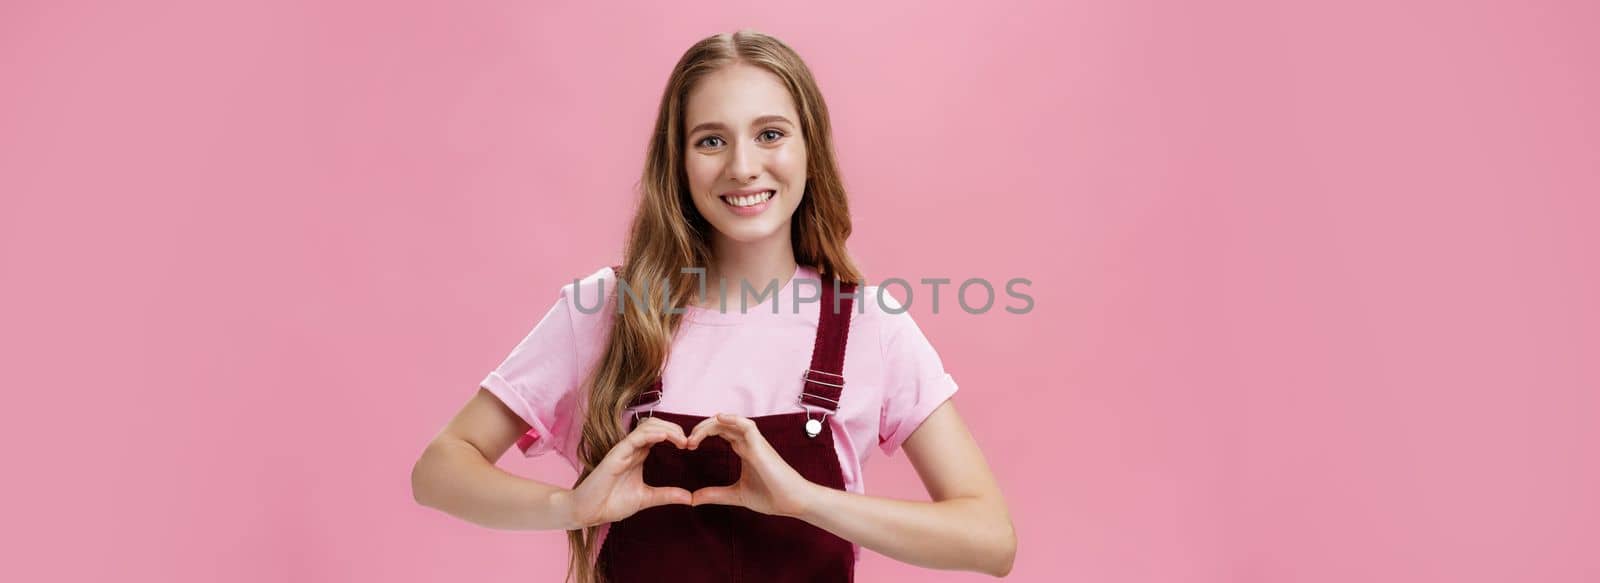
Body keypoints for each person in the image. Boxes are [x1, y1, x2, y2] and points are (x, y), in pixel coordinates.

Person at [411, 29, 1015, 582]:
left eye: (770, 134)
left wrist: (806, 500)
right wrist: (568, 507)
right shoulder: (607, 309)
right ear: (676, 161)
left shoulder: (867, 324)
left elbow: (989, 540)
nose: (743, 166)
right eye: (711, 140)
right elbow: (439, 471)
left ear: (811, 149)